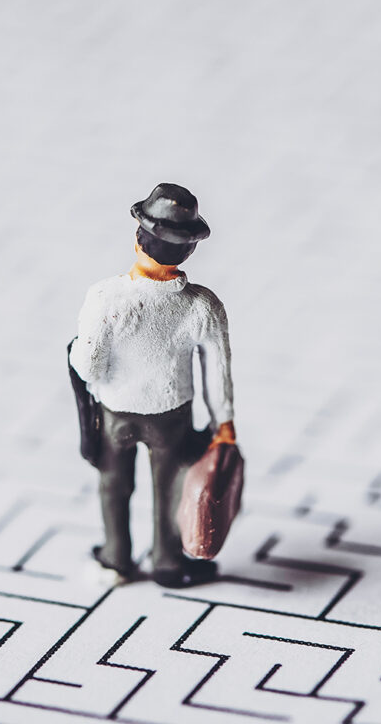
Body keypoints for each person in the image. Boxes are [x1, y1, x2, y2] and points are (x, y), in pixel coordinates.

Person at [68, 183, 235, 588]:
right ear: (189, 249)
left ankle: (116, 559)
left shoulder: (105, 297)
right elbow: (218, 368)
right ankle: (167, 561)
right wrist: (224, 422)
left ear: (138, 238)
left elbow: (90, 367)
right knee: (171, 487)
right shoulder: (202, 304)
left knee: (113, 484)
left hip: (115, 412)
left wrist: (76, 354)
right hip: (171, 413)